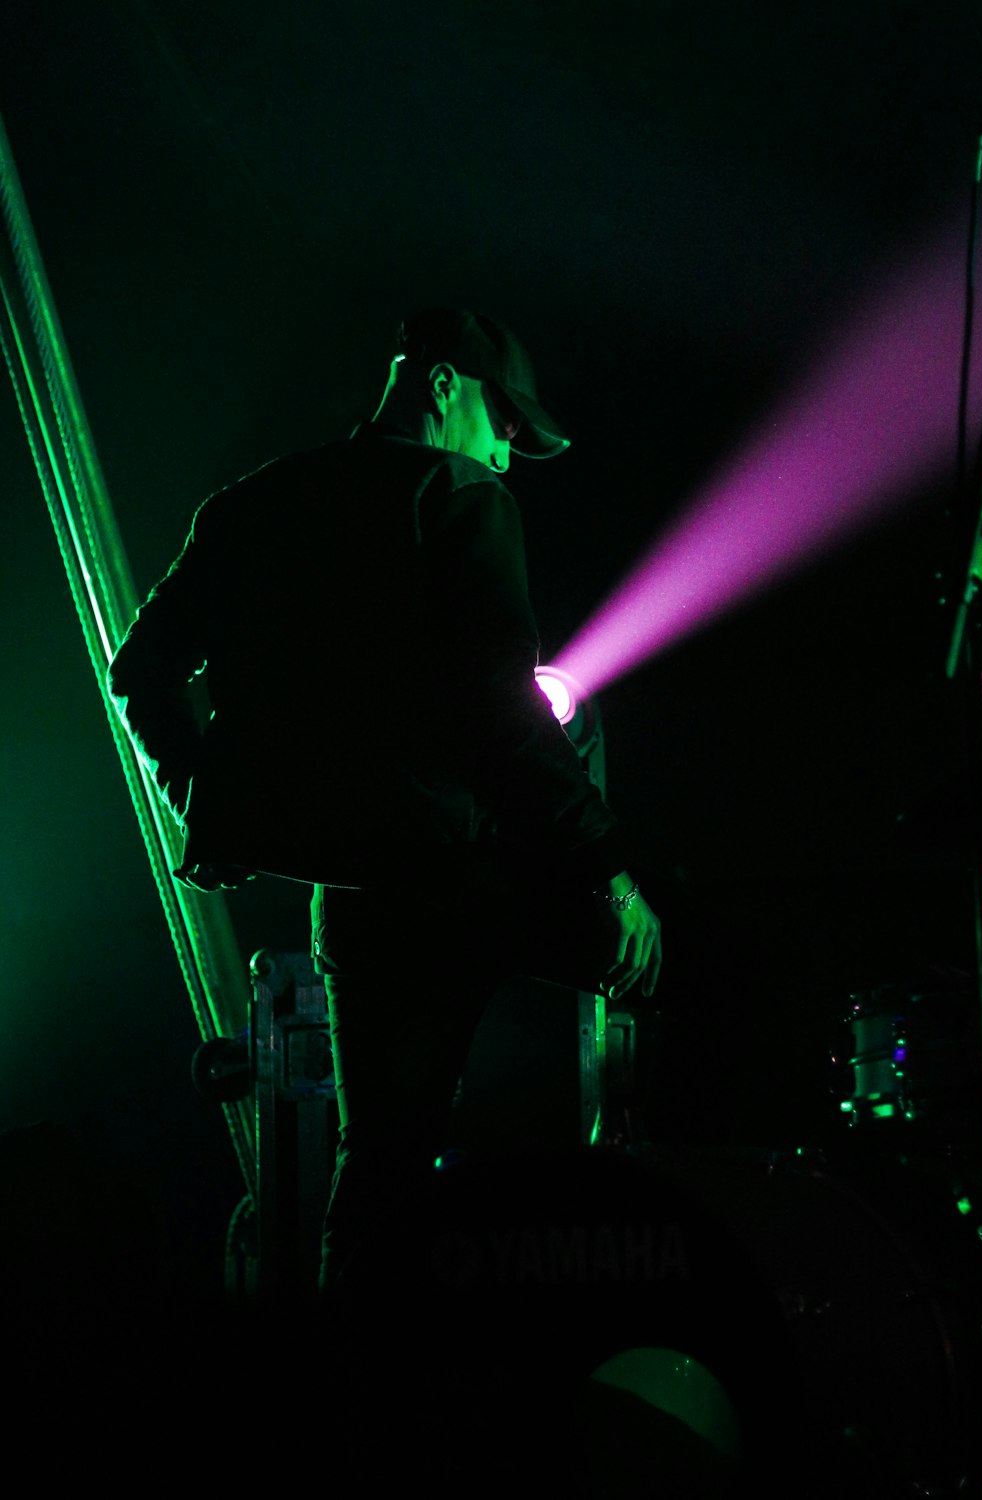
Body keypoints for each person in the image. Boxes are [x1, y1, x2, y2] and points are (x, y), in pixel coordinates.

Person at [107, 307, 662, 1291]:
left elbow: (140, 671)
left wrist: (201, 791)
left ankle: (347, 1415)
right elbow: (503, 716)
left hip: (355, 896)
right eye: (503, 422)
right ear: (442, 384)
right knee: (649, 996)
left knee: (377, 1174)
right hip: (466, 879)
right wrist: (610, 875)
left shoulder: (252, 505)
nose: (505, 452)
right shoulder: (453, 494)